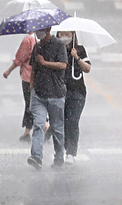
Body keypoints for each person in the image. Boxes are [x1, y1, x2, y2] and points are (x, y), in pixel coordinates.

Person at [26, 27, 68, 170]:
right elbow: (33, 68)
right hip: (39, 94)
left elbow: (63, 65)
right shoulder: (37, 47)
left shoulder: (59, 44)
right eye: (37, 30)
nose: (38, 32)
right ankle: (36, 156)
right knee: (38, 125)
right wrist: (31, 87)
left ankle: (59, 156)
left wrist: (45, 63)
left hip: (56, 94)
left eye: (41, 29)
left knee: (57, 128)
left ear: (48, 29)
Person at [56, 31, 91, 165]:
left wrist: (76, 57)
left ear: (73, 35)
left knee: (73, 121)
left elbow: (87, 68)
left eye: (67, 34)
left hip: (77, 93)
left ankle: (71, 152)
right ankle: (64, 148)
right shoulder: (56, 49)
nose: (65, 37)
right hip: (60, 92)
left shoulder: (80, 49)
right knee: (62, 123)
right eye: (62, 34)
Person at [3, 32, 38, 142]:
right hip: (41, 77)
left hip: (28, 77)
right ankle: (36, 128)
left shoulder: (28, 40)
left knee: (30, 104)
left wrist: (8, 71)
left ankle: (34, 129)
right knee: (38, 103)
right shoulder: (44, 40)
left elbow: (20, 58)